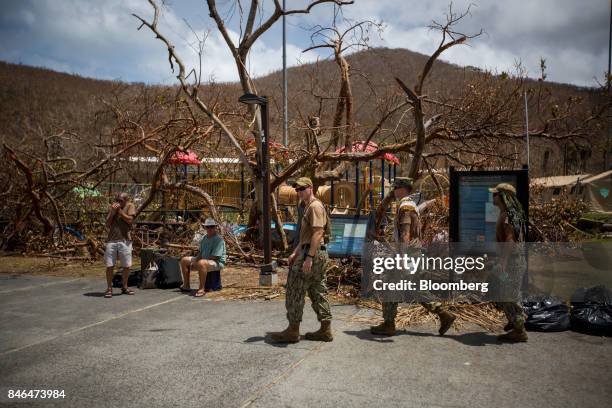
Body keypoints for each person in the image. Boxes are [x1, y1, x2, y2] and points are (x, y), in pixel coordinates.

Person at [370, 177, 457, 336]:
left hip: (408, 254)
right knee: (413, 287)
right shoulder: (412, 205)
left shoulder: (405, 207)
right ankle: (443, 314)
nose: (394, 191)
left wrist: (402, 257)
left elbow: (405, 234)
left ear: (402, 188)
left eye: (396, 187)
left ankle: (389, 323)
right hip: (414, 253)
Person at [270, 177, 333, 343]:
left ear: (311, 188)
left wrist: (309, 258)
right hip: (309, 251)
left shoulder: (315, 206)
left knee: (294, 289)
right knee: (317, 289)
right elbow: (306, 237)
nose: (299, 192)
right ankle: (325, 330)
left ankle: (293, 330)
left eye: (302, 188)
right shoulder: (306, 207)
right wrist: (296, 252)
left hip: (313, 254)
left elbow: (318, 233)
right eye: (297, 189)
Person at [489, 183, 528, 342]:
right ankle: (515, 319)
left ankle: (519, 331)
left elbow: (510, 240)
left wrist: (502, 263)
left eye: (495, 194)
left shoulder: (509, 216)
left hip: (512, 263)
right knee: (500, 290)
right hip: (511, 262)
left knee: (508, 294)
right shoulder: (509, 213)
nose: (493, 197)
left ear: (504, 196)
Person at [179, 218, 226, 297]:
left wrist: (199, 262)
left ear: (215, 227)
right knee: (184, 260)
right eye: (208, 227)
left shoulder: (219, 240)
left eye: (212, 227)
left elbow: (215, 257)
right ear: (205, 228)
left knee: (202, 263)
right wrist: (195, 260)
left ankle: (201, 289)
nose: (210, 228)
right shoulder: (204, 238)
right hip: (204, 261)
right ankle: (186, 285)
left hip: (217, 262)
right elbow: (201, 253)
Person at [104, 192, 137, 298]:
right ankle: (109, 288)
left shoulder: (130, 206)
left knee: (126, 265)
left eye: (120, 201)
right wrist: (113, 212)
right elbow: (107, 224)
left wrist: (119, 211)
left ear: (126, 200)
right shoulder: (113, 208)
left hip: (125, 240)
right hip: (112, 240)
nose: (118, 202)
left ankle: (124, 286)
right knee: (109, 265)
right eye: (117, 200)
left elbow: (130, 220)